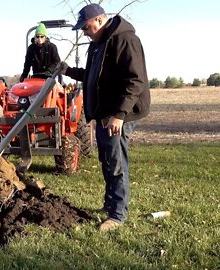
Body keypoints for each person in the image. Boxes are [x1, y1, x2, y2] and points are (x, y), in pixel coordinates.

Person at [58, 4, 150, 231]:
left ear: (99, 20)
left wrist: (119, 115)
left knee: (116, 162)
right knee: (107, 160)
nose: (83, 31)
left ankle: (117, 215)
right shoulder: (97, 45)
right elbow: (90, 76)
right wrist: (68, 70)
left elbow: (135, 81)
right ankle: (110, 206)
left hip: (119, 114)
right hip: (103, 114)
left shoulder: (125, 40)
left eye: (86, 26)